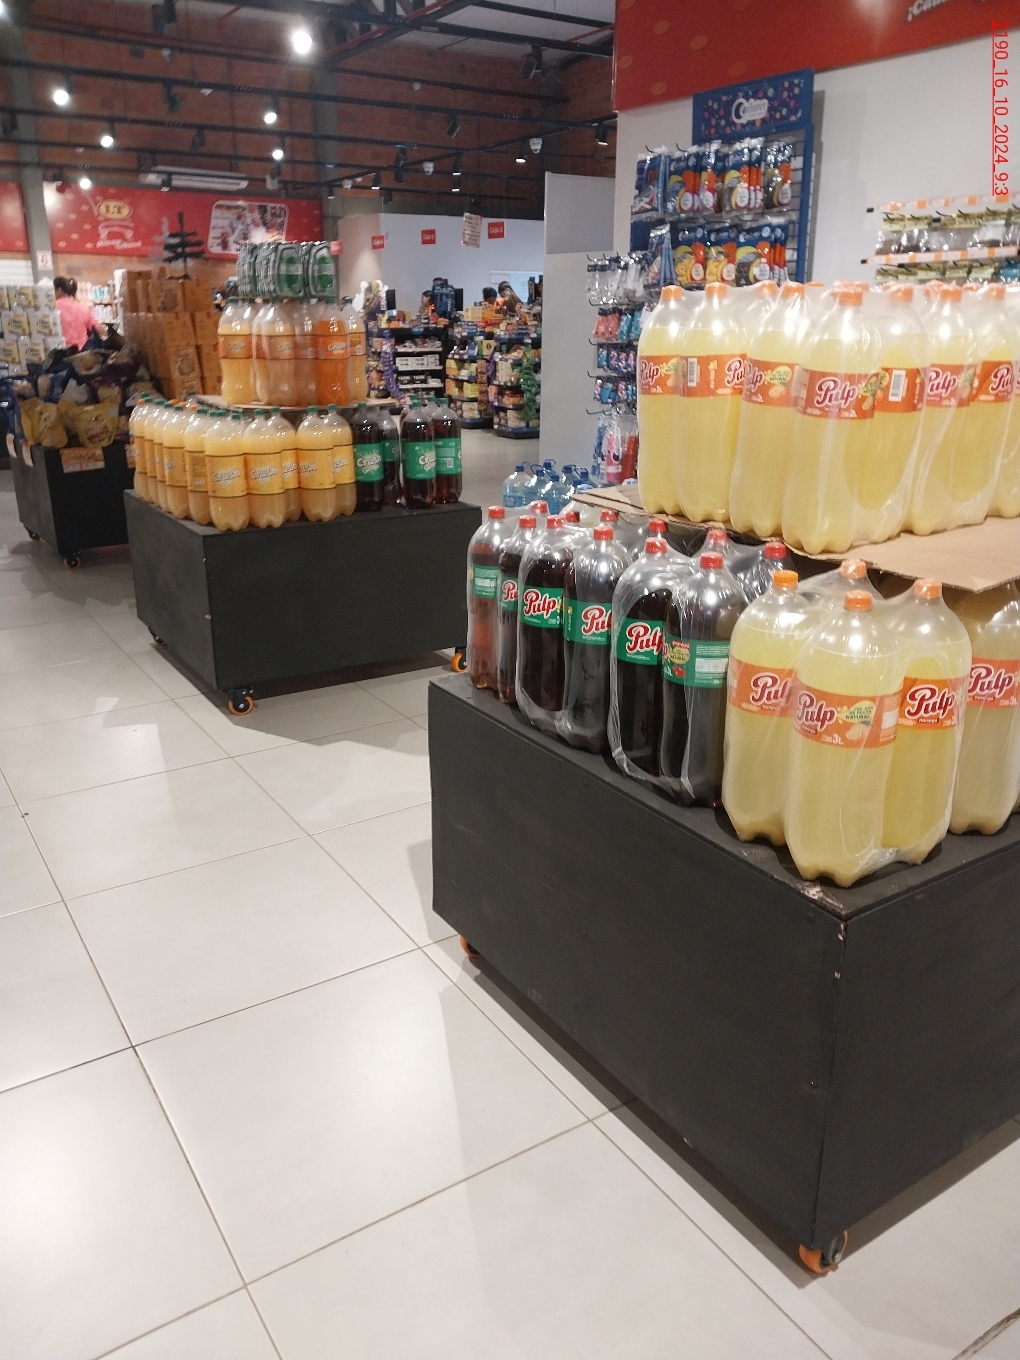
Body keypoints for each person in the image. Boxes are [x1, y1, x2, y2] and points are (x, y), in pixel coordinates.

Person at [53, 276, 102, 350]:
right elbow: (99, 330)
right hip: (82, 353)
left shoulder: (52, 308)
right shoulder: (82, 308)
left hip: (60, 352)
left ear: (59, 290)